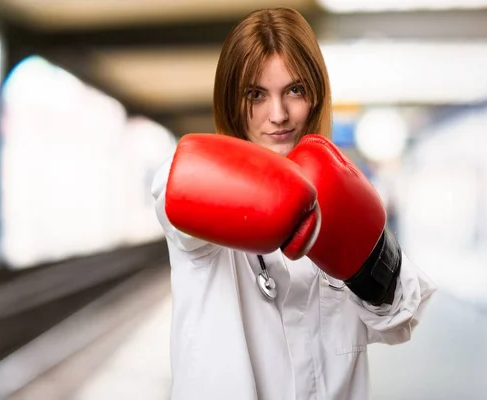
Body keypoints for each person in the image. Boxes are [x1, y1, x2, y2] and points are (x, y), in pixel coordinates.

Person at [151, 7, 436, 400]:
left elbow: (399, 318)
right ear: (233, 101)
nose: (278, 115)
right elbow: (171, 191)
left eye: (294, 90)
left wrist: (365, 258)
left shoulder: (336, 187)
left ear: (315, 94)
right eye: (256, 94)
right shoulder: (200, 185)